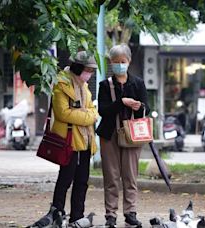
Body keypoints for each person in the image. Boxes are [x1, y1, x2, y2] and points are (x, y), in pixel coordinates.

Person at [30, 51, 99, 228]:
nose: (89, 74)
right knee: (65, 179)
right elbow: (63, 113)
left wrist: (87, 114)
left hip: (85, 141)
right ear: (78, 68)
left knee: (82, 181)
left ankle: (77, 216)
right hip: (69, 141)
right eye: (88, 70)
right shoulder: (62, 84)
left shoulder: (84, 86)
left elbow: (92, 109)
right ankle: (56, 212)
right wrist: (88, 116)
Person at [96, 43, 150, 227]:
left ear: (129, 61)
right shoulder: (105, 85)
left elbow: (147, 108)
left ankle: (130, 213)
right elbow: (103, 110)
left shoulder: (138, 83)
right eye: (116, 61)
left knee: (130, 176)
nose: (119, 64)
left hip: (132, 136)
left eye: (123, 61)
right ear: (111, 62)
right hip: (109, 135)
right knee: (111, 177)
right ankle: (110, 215)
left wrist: (138, 106)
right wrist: (122, 102)